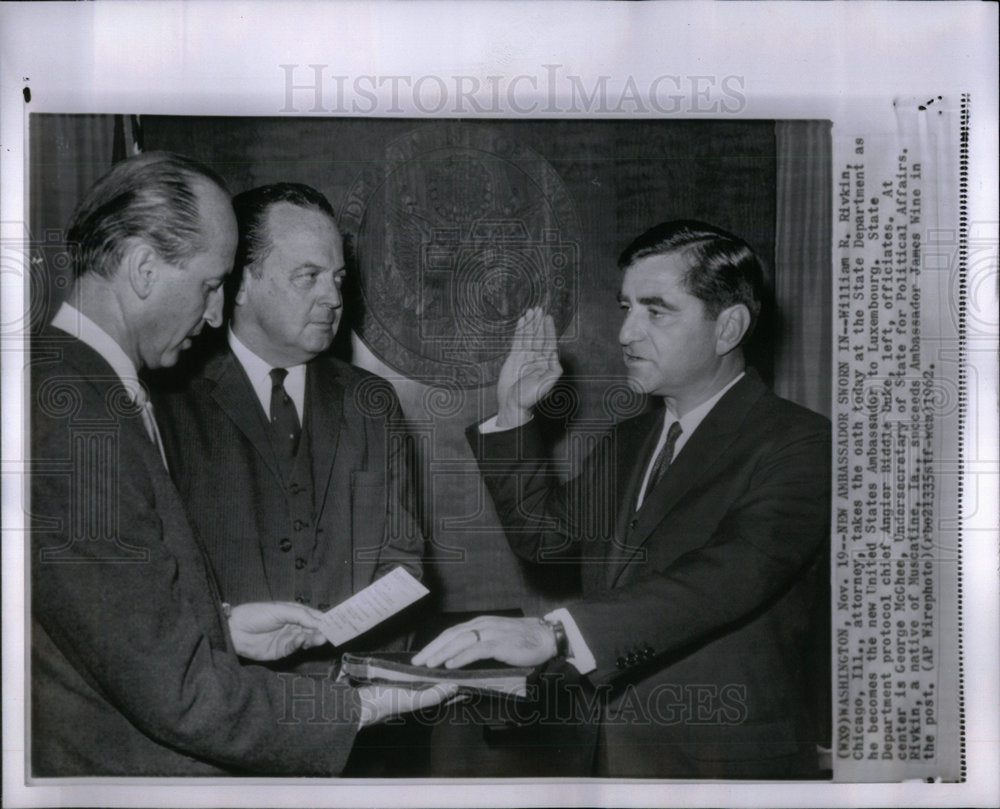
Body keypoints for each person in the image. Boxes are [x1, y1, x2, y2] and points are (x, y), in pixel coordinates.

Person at [30, 152, 453, 776]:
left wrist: (223, 627)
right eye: (209, 285)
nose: (211, 312)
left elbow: (121, 619)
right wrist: (358, 709)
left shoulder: (74, 388)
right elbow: (179, 692)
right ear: (145, 268)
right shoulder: (72, 413)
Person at [414, 220, 831, 778]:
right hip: (608, 756)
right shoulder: (629, 438)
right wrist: (514, 412)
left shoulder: (802, 441)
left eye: (655, 311)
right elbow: (547, 540)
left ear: (728, 327)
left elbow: (733, 573)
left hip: (723, 765)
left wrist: (557, 632)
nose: (626, 333)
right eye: (626, 307)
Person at [152, 183, 424, 653]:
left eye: (337, 278)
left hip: (354, 698)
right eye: (309, 275)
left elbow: (403, 567)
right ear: (241, 283)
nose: (333, 298)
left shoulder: (371, 403)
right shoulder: (168, 399)